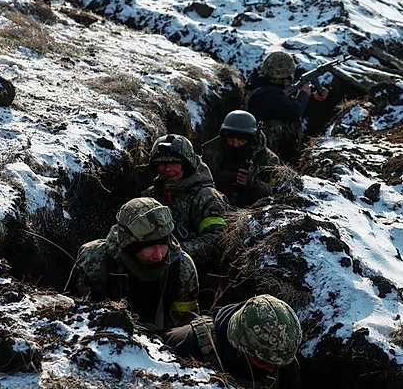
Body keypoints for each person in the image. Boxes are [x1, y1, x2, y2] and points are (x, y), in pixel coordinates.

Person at [72, 197, 199, 334]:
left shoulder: (182, 267)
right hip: (105, 336)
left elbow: (183, 322)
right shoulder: (94, 260)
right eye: (149, 247)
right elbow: (77, 315)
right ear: (130, 245)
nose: (159, 255)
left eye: (163, 244)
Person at [164, 294, 302, 389]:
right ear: (239, 346)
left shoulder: (280, 358)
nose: (272, 369)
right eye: (262, 361)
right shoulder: (186, 344)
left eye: (277, 364)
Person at [142, 134, 229, 274]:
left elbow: (217, 240)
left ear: (187, 164)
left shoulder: (206, 197)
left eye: (174, 163)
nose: (167, 169)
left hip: (198, 273)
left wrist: (174, 252)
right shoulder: (150, 196)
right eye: (162, 164)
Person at [246, 51, 329, 163]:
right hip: (269, 157)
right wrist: (304, 93)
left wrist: (312, 98)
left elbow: (286, 106)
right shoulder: (267, 94)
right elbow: (294, 110)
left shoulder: (265, 86)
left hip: (276, 151)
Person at [201, 110, 281, 208]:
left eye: (241, 140)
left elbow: (277, 191)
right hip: (213, 205)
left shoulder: (268, 159)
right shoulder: (212, 152)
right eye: (230, 139)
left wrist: (252, 184)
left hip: (252, 211)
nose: (235, 144)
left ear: (251, 139)